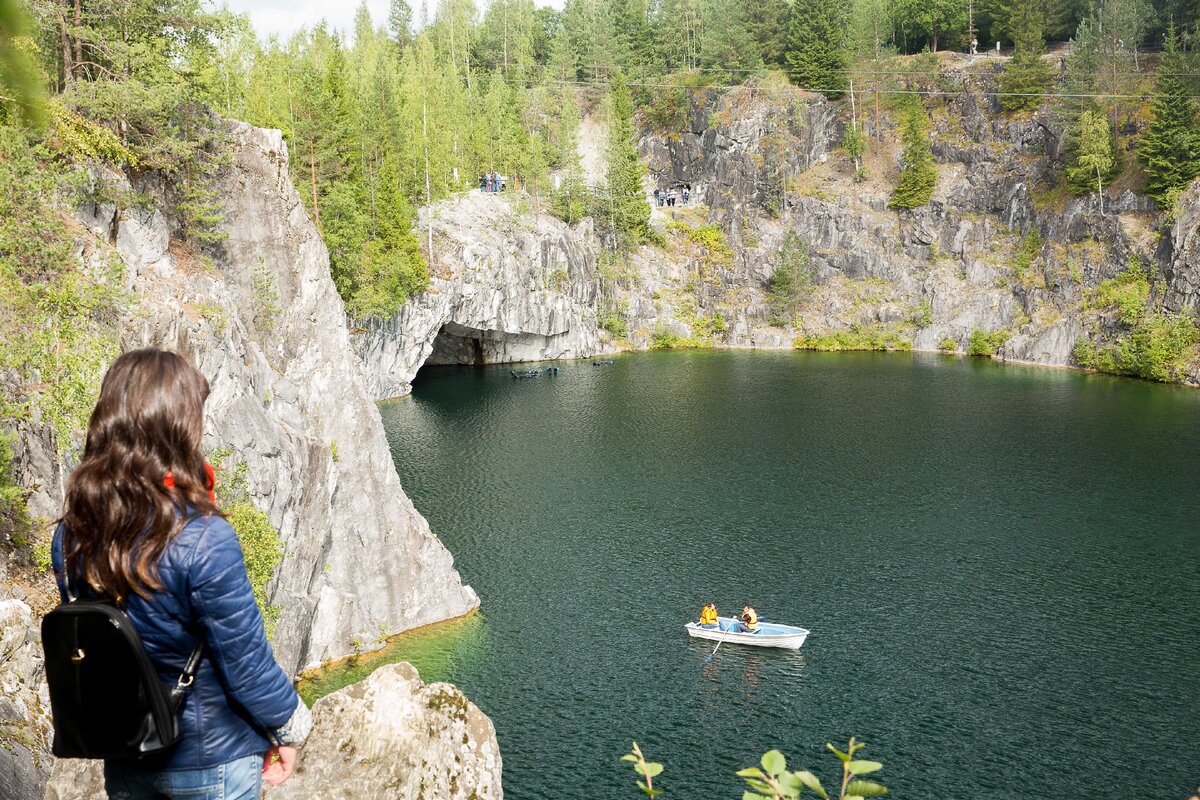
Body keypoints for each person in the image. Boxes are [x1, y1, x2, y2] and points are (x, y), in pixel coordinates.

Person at [52, 349, 311, 800]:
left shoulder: (73, 533)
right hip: (213, 760)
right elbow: (245, 662)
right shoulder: (204, 537)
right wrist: (289, 726)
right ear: (175, 427)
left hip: (127, 751)